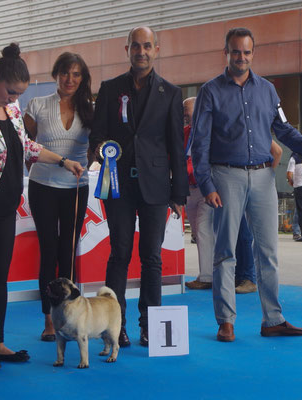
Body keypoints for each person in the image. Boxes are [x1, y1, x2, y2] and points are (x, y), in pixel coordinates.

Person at [0, 43, 84, 371]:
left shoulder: (11, 110)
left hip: (7, 204)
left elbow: (27, 146)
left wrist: (63, 160)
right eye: (10, 93)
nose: (13, 100)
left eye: (18, 95)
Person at [192, 27, 302, 342]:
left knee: (268, 250)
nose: (241, 57)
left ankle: (273, 319)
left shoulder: (267, 90)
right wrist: (206, 183)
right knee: (226, 251)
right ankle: (226, 321)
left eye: (247, 52)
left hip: (264, 176)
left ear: (254, 53)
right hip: (226, 176)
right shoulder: (209, 91)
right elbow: (199, 143)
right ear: (226, 53)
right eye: (235, 51)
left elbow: (283, 128)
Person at [89, 26, 188, 347]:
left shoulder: (171, 93)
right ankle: (115, 325)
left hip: (157, 187)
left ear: (156, 49)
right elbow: (97, 136)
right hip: (117, 186)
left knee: (152, 258)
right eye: (135, 46)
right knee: (119, 254)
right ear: (127, 50)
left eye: (147, 46)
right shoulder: (109, 89)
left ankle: (152, 326)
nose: (141, 51)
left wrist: (179, 193)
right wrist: (103, 151)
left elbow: (176, 145)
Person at [23, 52, 93, 342]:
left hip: (77, 187)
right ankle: (49, 319)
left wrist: (99, 156)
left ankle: (69, 317)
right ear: (56, 74)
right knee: (48, 252)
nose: (70, 79)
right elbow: (25, 144)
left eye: (76, 74)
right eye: (65, 73)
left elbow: (98, 146)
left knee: (68, 252)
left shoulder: (91, 109)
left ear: (82, 78)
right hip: (43, 186)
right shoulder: (37, 105)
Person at [234, 140, 283, 294]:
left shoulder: (254, 129)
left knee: (245, 236)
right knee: (245, 236)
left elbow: (278, 151)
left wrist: (266, 175)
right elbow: (277, 152)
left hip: (248, 182)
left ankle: (248, 277)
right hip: (253, 181)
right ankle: (244, 276)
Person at [184, 97, 214, 290]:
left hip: (207, 188)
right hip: (188, 189)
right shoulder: (184, 133)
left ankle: (207, 277)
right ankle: (209, 272)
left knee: (203, 231)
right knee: (197, 232)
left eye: (188, 112)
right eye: (185, 113)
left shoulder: (212, 131)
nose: (186, 116)